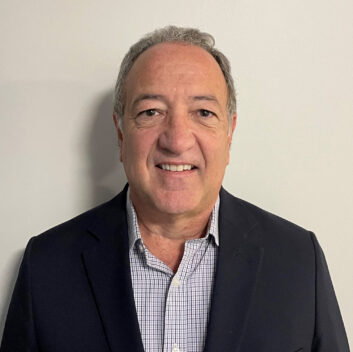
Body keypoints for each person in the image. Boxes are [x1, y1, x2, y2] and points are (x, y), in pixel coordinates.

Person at [0, 26, 349, 352]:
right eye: (151, 112)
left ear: (230, 133)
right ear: (121, 134)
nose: (177, 140)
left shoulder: (299, 260)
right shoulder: (46, 265)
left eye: (203, 112)